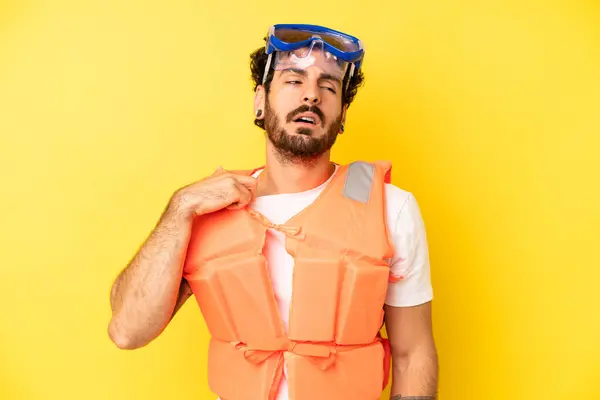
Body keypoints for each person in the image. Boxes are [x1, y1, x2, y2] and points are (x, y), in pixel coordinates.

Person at [108, 23, 438, 400]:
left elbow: (413, 354)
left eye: (329, 86)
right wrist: (178, 209)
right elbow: (127, 331)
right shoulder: (206, 211)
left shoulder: (392, 208)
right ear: (260, 101)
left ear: (343, 114)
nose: (312, 96)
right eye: (294, 81)